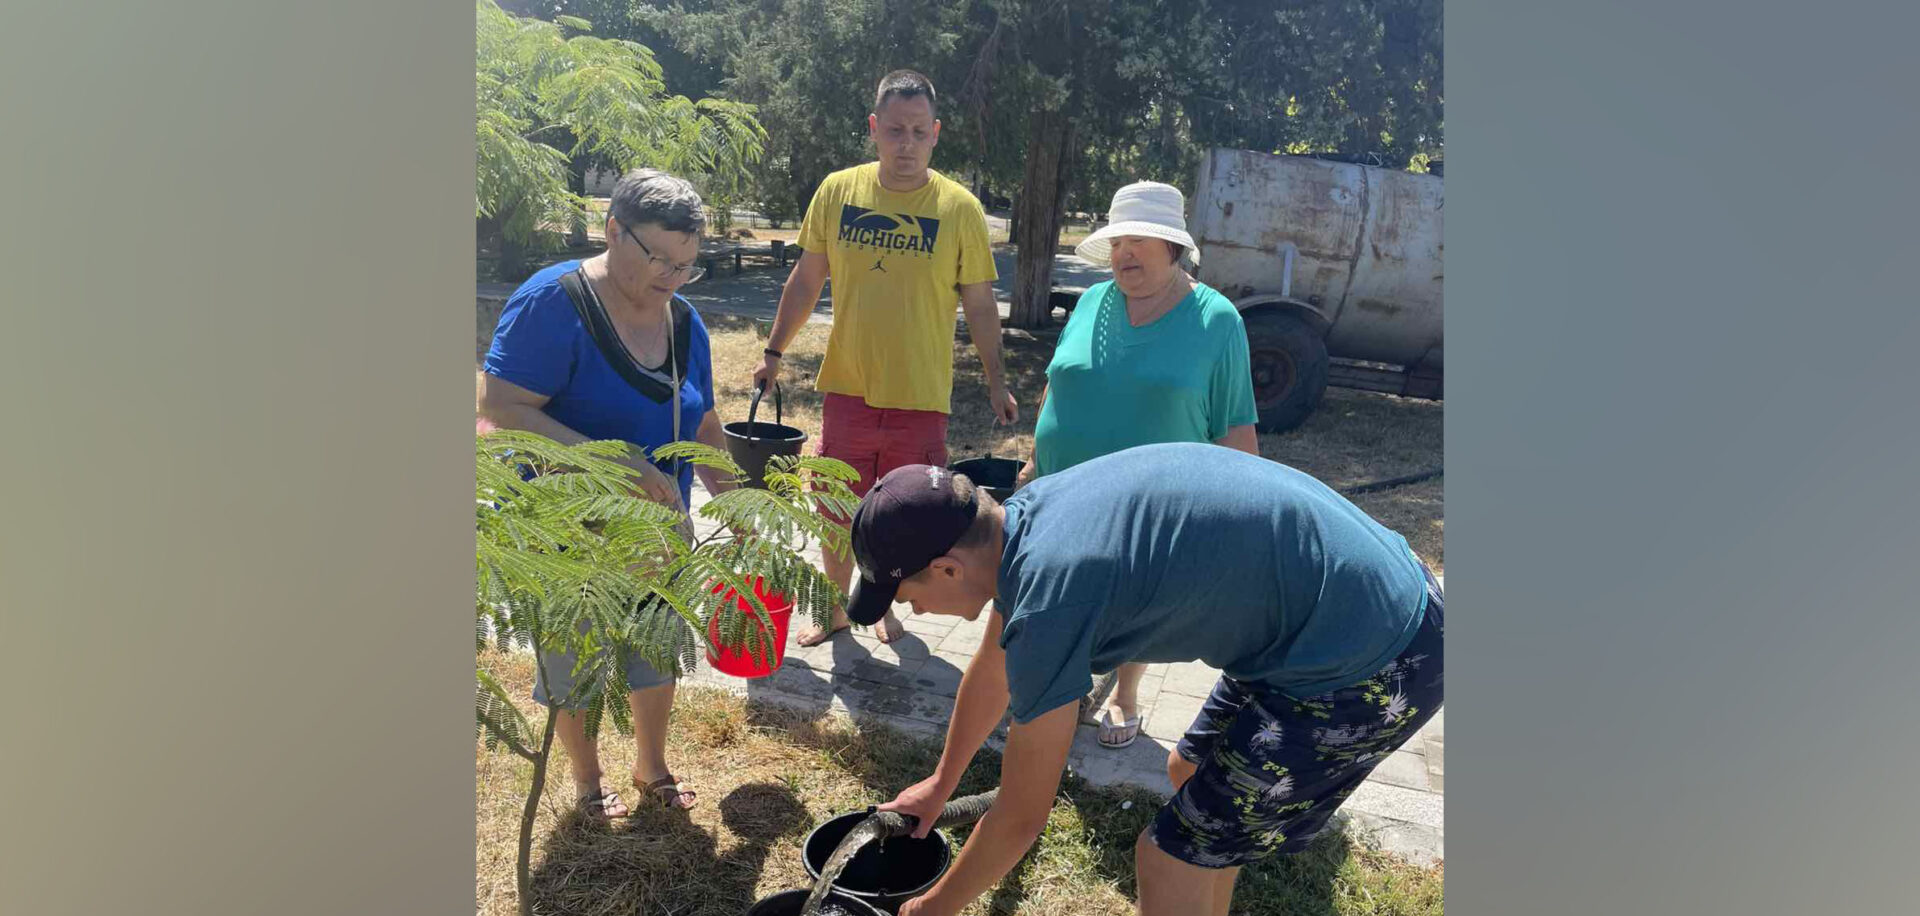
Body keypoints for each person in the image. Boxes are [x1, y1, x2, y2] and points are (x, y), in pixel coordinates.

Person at [851, 444, 1443, 916]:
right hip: (1335, 607)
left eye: (906, 597)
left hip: (1375, 654)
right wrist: (941, 784)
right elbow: (992, 669)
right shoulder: (1020, 525)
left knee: (1169, 857)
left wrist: (930, 909)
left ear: (947, 568)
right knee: (1189, 774)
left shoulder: (1049, 604)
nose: (914, 612)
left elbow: (1021, 816)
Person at [477, 168, 738, 818]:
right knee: (576, 659)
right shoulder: (552, 304)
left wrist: (736, 501)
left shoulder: (686, 322)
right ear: (613, 230)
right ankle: (587, 780)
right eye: (659, 259)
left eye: (687, 264)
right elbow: (502, 408)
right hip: (566, 536)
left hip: (657, 538)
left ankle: (652, 766)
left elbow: (704, 421)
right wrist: (606, 463)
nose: (673, 278)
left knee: (656, 648)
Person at [753, 68, 1017, 647]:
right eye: (895, 130)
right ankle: (833, 608)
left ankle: (886, 605)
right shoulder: (837, 191)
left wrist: (996, 380)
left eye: (919, 132)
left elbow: (979, 302)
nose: (906, 144)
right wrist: (774, 351)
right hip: (848, 388)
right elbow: (806, 279)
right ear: (874, 128)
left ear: (936, 133)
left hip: (920, 397)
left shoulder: (959, 208)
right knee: (835, 508)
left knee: (907, 518)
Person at [1016, 179, 1261, 750]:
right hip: (1063, 486)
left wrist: (1244, 518)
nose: (1124, 252)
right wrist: (1032, 460)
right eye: (1117, 240)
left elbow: (1235, 426)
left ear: (1172, 247)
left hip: (1152, 505)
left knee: (1138, 602)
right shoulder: (1091, 303)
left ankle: (1124, 694)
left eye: (1139, 241)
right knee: (1057, 592)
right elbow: (1057, 383)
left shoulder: (1216, 320)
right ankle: (1059, 690)